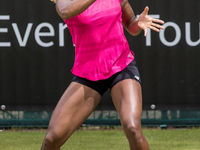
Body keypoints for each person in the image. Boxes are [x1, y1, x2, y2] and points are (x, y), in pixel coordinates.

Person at [41, 0, 164, 150]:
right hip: (87, 74)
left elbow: (131, 24)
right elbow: (66, 11)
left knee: (132, 128)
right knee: (51, 139)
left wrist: (138, 23)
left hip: (121, 65)